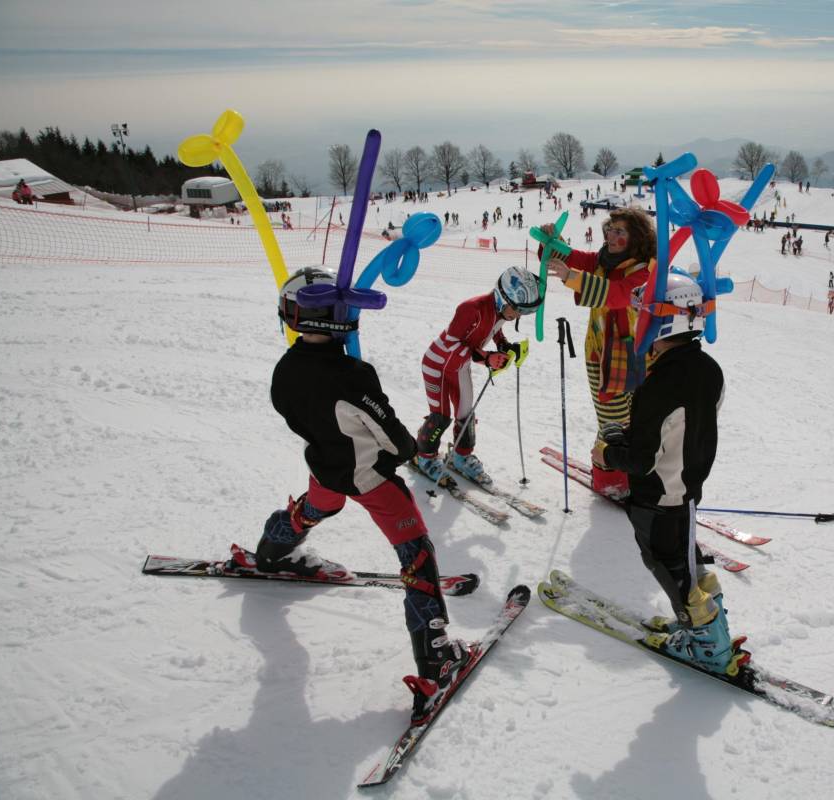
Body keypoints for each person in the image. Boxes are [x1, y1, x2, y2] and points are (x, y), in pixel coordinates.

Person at [257, 267, 468, 723]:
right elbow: (397, 443)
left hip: (327, 471)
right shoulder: (353, 375)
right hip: (369, 477)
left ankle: (273, 547)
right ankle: (436, 658)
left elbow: (295, 417)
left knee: (314, 508)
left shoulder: (285, 371)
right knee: (416, 553)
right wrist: (410, 444)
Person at [590, 272, 742, 675]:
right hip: (687, 488)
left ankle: (707, 643)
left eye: (643, 317)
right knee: (686, 559)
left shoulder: (661, 382)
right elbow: (688, 422)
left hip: (658, 494)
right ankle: (710, 622)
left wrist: (609, 452)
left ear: (663, 322)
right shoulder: (708, 369)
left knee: (666, 564)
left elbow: (641, 460)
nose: (639, 325)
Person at [543, 207, 657, 497]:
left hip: (640, 354)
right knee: (613, 418)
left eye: (620, 231)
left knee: (635, 418)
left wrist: (574, 278)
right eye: (610, 229)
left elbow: (619, 294)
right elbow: (574, 257)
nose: (611, 235)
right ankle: (609, 478)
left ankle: (623, 469)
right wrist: (553, 242)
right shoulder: (603, 260)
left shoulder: (645, 269)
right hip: (603, 353)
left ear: (637, 238)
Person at [413, 267, 540, 485]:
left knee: (466, 413)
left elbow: (494, 328)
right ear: (503, 297)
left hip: (459, 367)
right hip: (438, 365)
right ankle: (423, 456)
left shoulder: (501, 312)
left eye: (523, 312)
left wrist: (504, 345)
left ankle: (461, 456)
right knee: (440, 415)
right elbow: (452, 345)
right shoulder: (471, 309)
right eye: (517, 309)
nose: (518, 315)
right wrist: (486, 358)